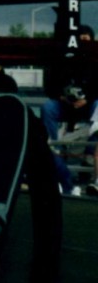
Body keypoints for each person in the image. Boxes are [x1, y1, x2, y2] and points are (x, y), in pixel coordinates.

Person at [41, 25, 98, 195]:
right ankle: (53, 145)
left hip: (88, 105)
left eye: (86, 39)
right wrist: (62, 97)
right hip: (66, 105)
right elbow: (50, 86)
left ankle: (92, 148)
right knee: (47, 107)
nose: (82, 43)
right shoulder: (63, 60)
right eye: (79, 39)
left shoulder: (95, 61)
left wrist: (87, 98)